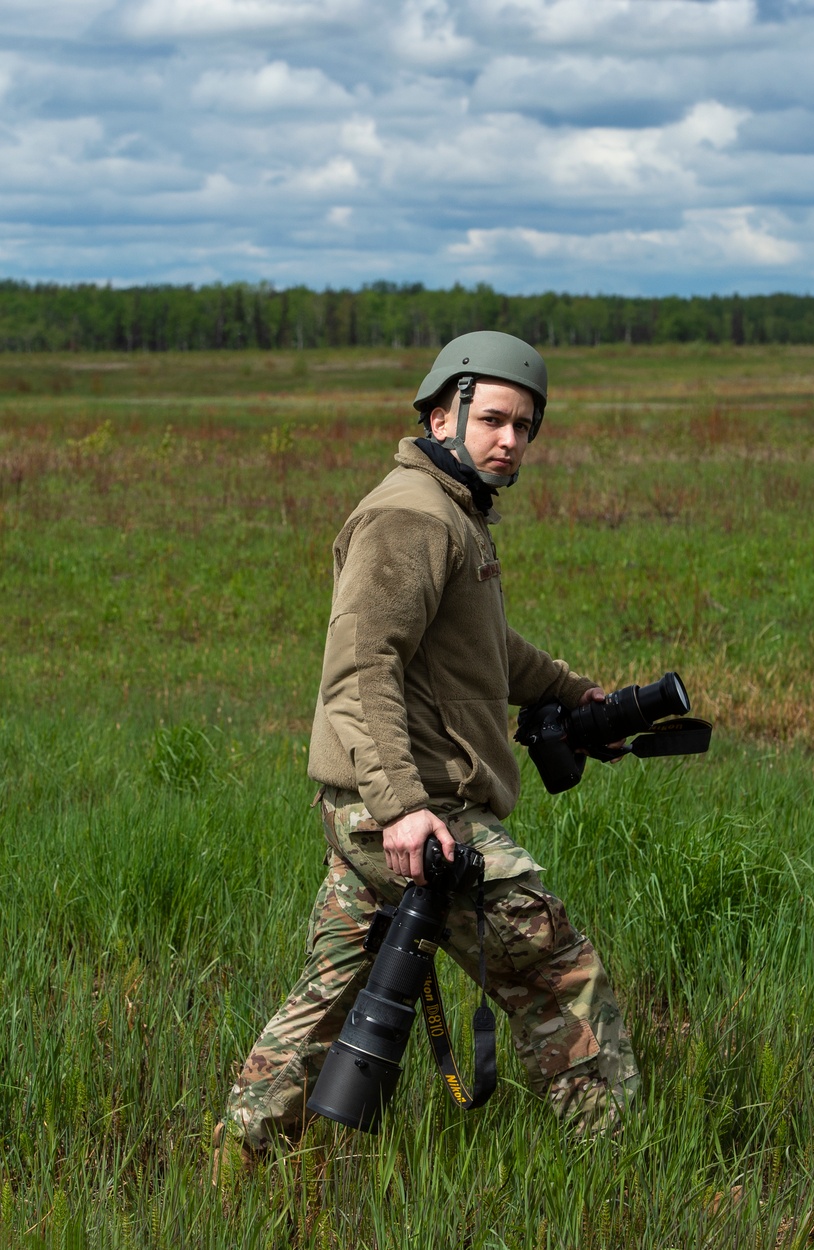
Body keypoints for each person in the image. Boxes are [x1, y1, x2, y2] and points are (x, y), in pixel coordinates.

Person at [215, 331, 639, 1170]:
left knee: (329, 996)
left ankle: (234, 1166)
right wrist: (404, 808)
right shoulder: (411, 515)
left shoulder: (454, 512)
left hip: (373, 814)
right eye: (491, 420)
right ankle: (620, 1169)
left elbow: (485, 648)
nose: (509, 441)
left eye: (524, 426)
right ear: (441, 411)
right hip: (415, 817)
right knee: (560, 973)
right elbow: (359, 669)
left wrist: (572, 692)